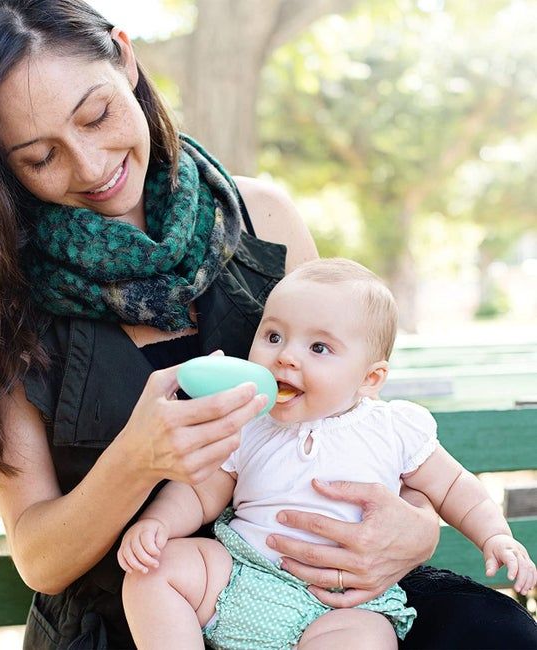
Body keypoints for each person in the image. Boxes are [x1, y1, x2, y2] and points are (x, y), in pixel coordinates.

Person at [0, 1, 537, 648]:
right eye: (40, 157)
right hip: (142, 611)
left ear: (125, 57)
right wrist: (137, 461)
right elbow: (39, 557)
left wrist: (419, 527)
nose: (92, 167)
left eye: (97, 115)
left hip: (319, 592)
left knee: (496, 634)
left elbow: (358, 418)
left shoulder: (263, 217)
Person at [118, 257, 537, 649]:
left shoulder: (393, 428)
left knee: (367, 638)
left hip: (342, 605)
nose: (286, 356)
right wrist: (158, 524)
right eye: (274, 336)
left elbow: (455, 487)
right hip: (241, 575)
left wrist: (495, 535)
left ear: (370, 378)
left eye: (319, 348)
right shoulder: (249, 421)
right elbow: (198, 491)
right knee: (154, 573)